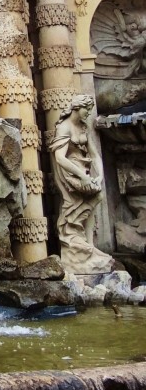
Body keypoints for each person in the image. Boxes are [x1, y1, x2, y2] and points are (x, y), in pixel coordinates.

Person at [49, 94, 114, 274]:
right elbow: (60, 158)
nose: (89, 113)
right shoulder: (64, 127)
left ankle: (88, 245)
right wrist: (82, 177)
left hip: (83, 172)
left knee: (97, 195)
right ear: (77, 108)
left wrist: (99, 175)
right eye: (87, 109)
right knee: (88, 199)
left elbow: (94, 154)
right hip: (70, 173)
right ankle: (74, 245)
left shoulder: (83, 127)